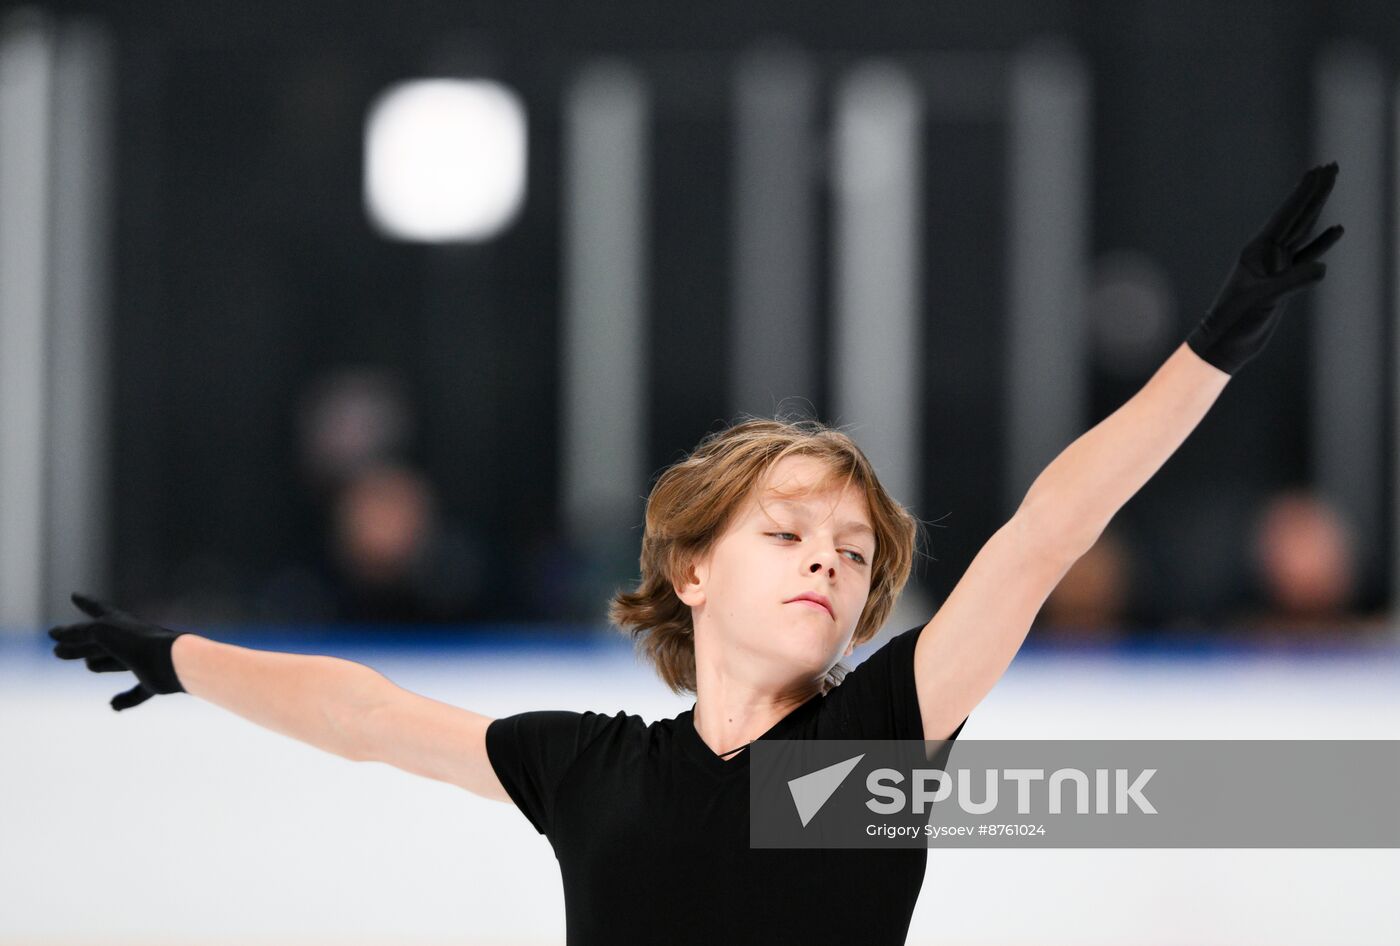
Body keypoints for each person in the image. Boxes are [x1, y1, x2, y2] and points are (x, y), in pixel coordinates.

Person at [50, 162, 1345, 945]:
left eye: (852, 552)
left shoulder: (864, 758)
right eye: (786, 532)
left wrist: (1215, 343)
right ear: (691, 570)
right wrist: (177, 656)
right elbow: (361, 714)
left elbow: (1046, 530)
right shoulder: (590, 767)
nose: (827, 563)